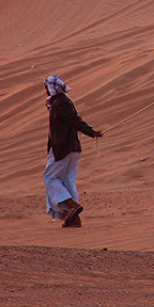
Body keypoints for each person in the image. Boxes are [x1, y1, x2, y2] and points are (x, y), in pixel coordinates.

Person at [43, 75, 102, 228]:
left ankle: (72, 206)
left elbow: (74, 120)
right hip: (72, 147)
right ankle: (73, 219)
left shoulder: (60, 103)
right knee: (67, 180)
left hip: (63, 147)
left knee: (50, 178)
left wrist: (91, 132)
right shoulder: (62, 101)